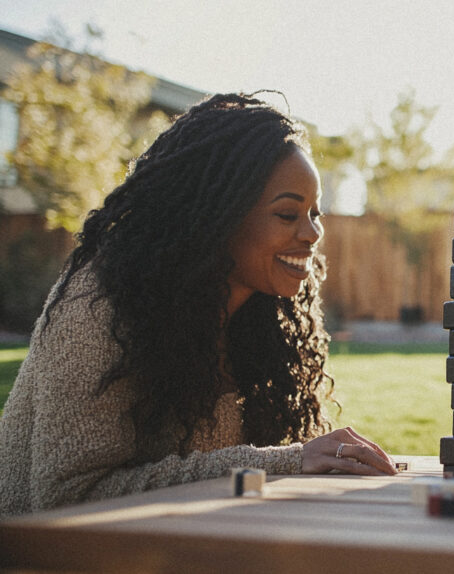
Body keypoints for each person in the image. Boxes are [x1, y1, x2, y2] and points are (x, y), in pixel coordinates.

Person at [0, 93, 396, 517]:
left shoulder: (261, 321)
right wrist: (285, 461)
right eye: (288, 214)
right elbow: (68, 497)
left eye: (315, 213)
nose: (313, 233)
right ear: (217, 217)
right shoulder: (100, 306)